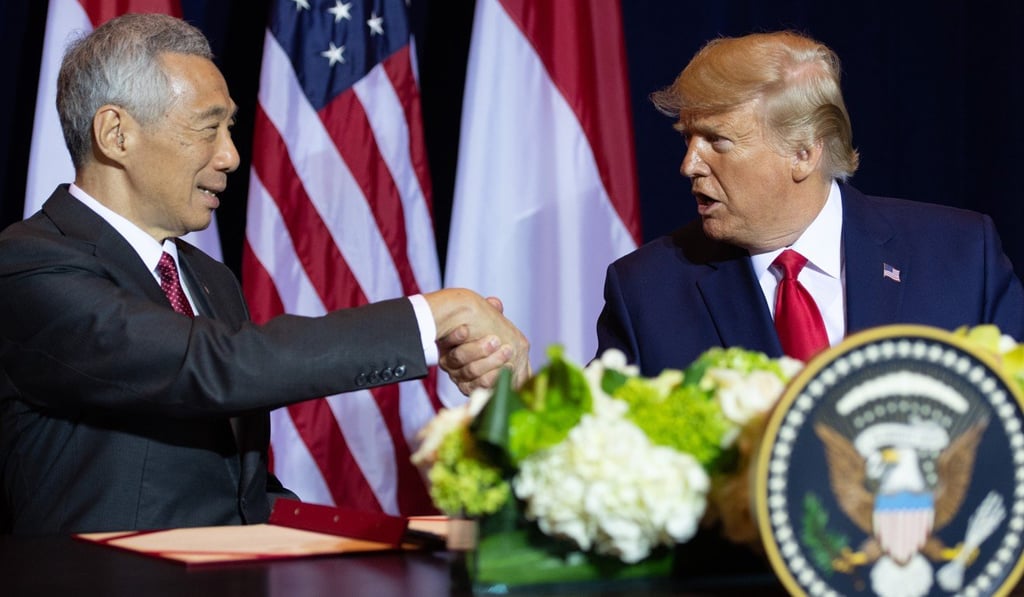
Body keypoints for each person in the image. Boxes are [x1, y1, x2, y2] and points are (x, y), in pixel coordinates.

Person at [0, 13, 529, 535]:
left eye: (229, 128)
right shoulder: (27, 264)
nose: (230, 156)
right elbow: (211, 367)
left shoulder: (209, 279)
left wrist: (391, 541)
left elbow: (241, 494)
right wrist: (430, 319)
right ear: (116, 134)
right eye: (208, 128)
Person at [596, 30, 1024, 378]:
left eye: (716, 141)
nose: (689, 165)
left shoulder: (962, 258)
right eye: (688, 139)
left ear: (803, 152)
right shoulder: (646, 293)